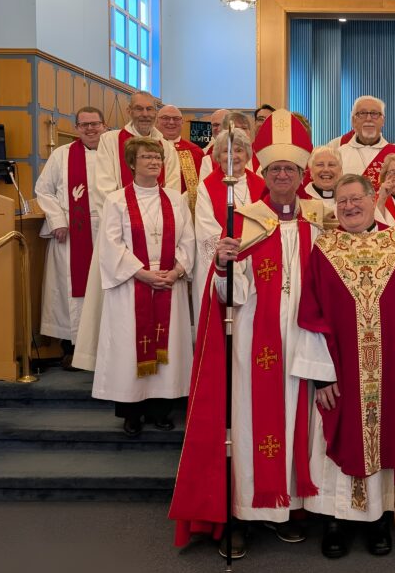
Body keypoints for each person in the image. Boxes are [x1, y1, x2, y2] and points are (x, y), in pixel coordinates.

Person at [170, 110, 326, 558]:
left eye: (290, 169)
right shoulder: (250, 220)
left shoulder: (321, 222)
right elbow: (229, 294)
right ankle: (240, 514)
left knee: (299, 425)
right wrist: (222, 264)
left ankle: (290, 509)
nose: (282, 175)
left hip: (304, 342)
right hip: (254, 344)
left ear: (302, 175)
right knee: (246, 426)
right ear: (265, 173)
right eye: (275, 168)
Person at [293, 174, 395, 559]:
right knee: (336, 435)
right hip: (340, 372)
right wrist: (321, 375)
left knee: (386, 435)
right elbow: (310, 314)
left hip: (389, 370)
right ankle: (334, 520)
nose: (349, 207)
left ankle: (378, 519)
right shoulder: (325, 248)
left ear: (373, 198)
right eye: (341, 202)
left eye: (356, 199)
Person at [92, 137, 194, 437]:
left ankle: (161, 411)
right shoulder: (116, 201)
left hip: (167, 283)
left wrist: (176, 271)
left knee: (168, 350)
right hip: (131, 286)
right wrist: (143, 274)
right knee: (128, 349)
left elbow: (187, 239)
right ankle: (131, 413)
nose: (153, 162)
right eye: (147, 157)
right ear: (132, 163)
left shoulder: (176, 200)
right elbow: (110, 244)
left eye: (158, 157)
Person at [35, 106, 106, 368]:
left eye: (94, 124)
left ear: (104, 126)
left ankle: (104, 347)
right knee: (71, 289)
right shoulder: (61, 155)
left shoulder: (115, 154)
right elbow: (44, 190)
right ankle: (72, 348)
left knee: (104, 288)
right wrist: (57, 220)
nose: (90, 129)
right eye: (84, 124)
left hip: (106, 231)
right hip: (72, 232)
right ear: (76, 128)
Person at [191, 127, 265, 320]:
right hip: (224, 264)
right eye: (226, 151)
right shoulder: (206, 187)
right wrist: (231, 257)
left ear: (248, 155)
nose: (233, 156)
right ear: (217, 156)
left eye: (239, 150)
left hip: (257, 265)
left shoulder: (261, 185)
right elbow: (207, 229)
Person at [95, 92, 180, 195]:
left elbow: (172, 189)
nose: (145, 114)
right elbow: (104, 186)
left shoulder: (167, 148)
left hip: (159, 209)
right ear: (129, 111)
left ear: (155, 113)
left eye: (149, 109)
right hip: (120, 209)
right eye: (139, 109)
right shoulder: (110, 140)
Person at [326, 95, 395, 193]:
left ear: (383, 120)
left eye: (374, 113)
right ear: (354, 121)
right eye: (362, 113)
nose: (368, 118)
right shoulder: (339, 154)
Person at [156, 105, 204, 212]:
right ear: (156, 121)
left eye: (176, 119)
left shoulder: (196, 152)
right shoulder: (147, 149)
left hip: (187, 212)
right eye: (165, 118)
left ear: (182, 122)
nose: (171, 122)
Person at [303, 145, 342, 218]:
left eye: (331, 165)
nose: (326, 170)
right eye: (320, 165)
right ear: (311, 171)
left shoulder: (348, 199)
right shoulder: (302, 200)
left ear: (340, 171)